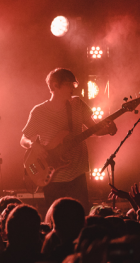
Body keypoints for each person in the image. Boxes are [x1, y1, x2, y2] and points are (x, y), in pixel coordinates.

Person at [20, 68, 117, 209]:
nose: (73, 87)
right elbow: (23, 139)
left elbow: (94, 129)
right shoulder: (39, 112)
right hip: (52, 178)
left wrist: (108, 130)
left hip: (77, 174)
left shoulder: (77, 104)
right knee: (55, 219)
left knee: (80, 216)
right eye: (69, 84)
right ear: (55, 85)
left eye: (74, 84)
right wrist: (33, 145)